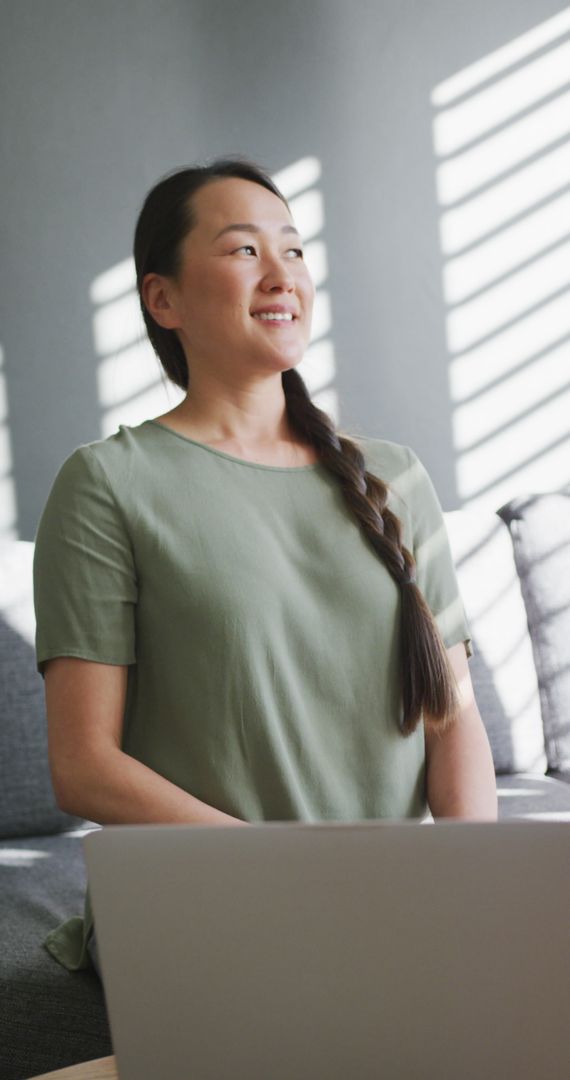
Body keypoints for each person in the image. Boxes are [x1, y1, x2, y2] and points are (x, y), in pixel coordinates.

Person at [33, 156, 497, 978]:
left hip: (382, 901)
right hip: (204, 901)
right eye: (244, 250)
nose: (282, 273)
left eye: (294, 249)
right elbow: (84, 767)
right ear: (163, 299)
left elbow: (451, 717)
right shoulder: (108, 483)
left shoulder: (395, 476)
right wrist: (291, 877)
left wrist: (470, 887)